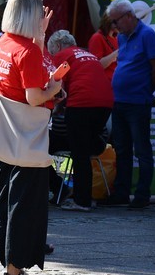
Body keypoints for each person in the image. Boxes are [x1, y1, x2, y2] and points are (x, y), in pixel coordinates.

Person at [0, 0, 61, 275]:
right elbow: (34, 96)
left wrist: (40, 36)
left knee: (1, 200)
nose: (44, 17)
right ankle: (15, 274)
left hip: (4, 129)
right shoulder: (27, 51)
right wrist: (55, 87)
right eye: (40, 13)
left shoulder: (2, 43)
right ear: (29, 16)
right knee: (24, 204)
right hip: (27, 134)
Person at [46, 29, 113, 211]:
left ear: (58, 46)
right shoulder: (87, 54)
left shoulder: (63, 55)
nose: (53, 56)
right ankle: (78, 194)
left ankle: (81, 200)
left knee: (79, 153)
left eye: (52, 52)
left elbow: (55, 85)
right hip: (105, 104)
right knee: (83, 149)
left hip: (82, 104)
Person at [106, 0, 155, 208]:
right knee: (122, 149)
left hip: (138, 102)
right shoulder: (122, 37)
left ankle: (142, 195)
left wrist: (146, 91)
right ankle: (121, 193)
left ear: (129, 16)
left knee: (141, 149)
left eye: (116, 21)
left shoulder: (147, 35)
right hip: (120, 101)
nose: (115, 26)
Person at [87, 12, 118, 82]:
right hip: (104, 83)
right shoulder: (97, 38)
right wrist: (117, 53)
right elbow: (97, 65)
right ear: (109, 21)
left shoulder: (116, 38)